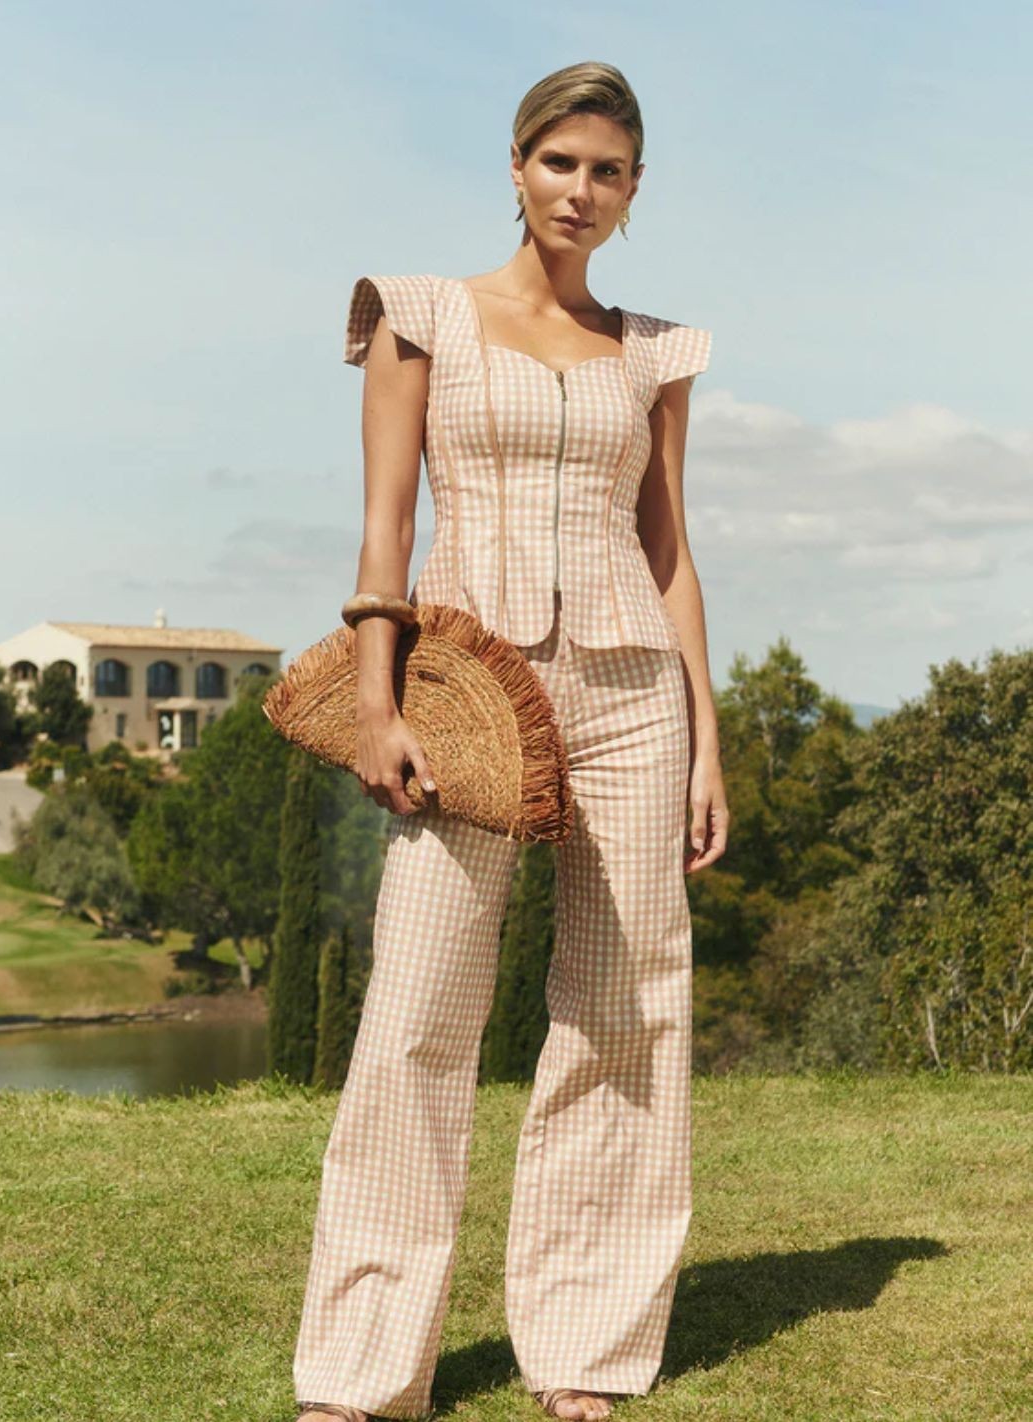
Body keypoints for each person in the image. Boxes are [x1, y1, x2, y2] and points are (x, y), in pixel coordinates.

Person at [293, 60, 729, 1422]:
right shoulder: (421, 315)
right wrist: (379, 704)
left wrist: (707, 738)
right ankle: (364, 1371)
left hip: (631, 694)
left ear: (636, 191)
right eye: (559, 162)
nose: (580, 191)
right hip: (469, 692)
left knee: (624, 1007)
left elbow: (670, 553)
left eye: (608, 172)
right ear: (517, 164)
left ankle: (586, 1345)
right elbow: (386, 531)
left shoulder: (655, 353)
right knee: (420, 1005)